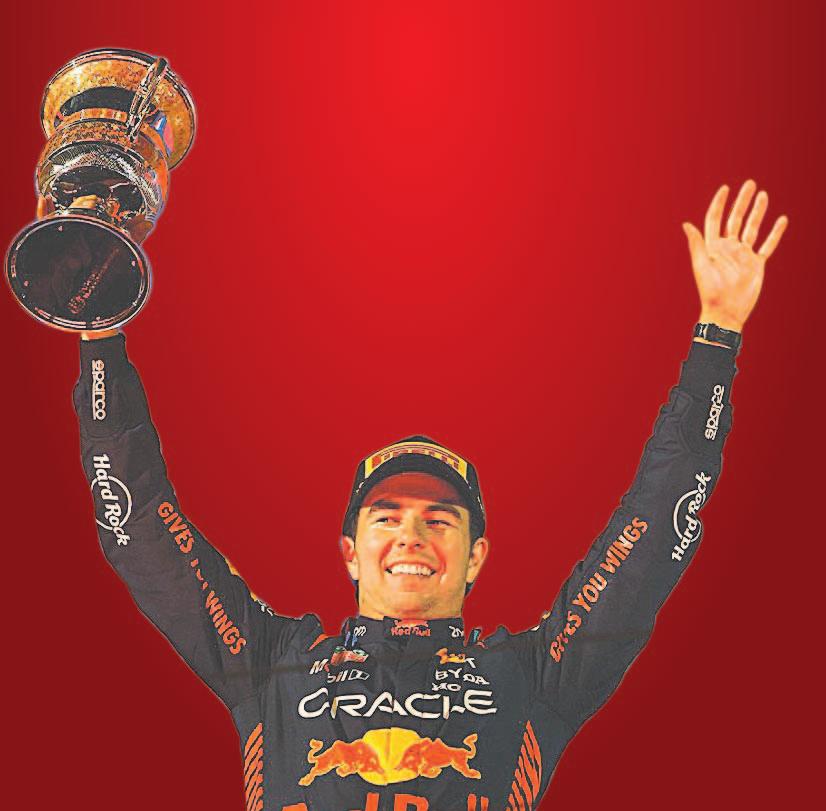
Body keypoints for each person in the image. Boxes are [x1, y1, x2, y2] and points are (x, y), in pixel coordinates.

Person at [71, 180, 786, 811]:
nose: (410, 536)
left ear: (476, 556)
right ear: (350, 551)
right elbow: (141, 533)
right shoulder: (271, 666)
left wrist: (717, 337)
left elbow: (652, 533)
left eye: (439, 520)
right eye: (386, 516)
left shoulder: (532, 676)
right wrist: (100, 335)